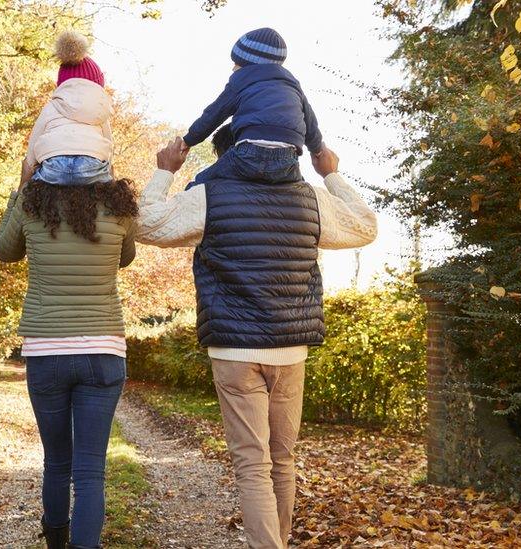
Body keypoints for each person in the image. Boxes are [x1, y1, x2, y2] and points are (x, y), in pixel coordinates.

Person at [137, 128, 377, 549]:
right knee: (282, 460)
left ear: (227, 156)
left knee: (252, 463)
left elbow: (147, 224)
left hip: (234, 348)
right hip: (290, 349)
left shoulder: (210, 194)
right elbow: (365, 227)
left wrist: (164, 171)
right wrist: (331, 174)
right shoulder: (310, 197)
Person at [0, 32, 135, 549]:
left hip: (47, 351)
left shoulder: (33, 203)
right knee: (91, 470)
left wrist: (19, 186)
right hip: (103, 349)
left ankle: (54, 540)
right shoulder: (118, 205)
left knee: (57, 460)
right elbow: (126, 257)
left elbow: (4, 251)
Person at [182, 28, 324, 186]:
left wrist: (188, 140)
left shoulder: (241, 79)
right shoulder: (293, 84)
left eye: (236, 63)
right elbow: (311, 124)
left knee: (200, 183)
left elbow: (214, 114)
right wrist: (317, 150)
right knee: (299, 189)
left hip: (249, 151)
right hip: (288, 157)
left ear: (248, 63)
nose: (233, 68)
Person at [21, 30, 114, 187]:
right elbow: (109, 145)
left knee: (32, 190)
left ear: (62, 83)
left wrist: (24, 181)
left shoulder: (52, 106)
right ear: (97, 84)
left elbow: (33, 148)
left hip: (55, 168)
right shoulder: (100, 110)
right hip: (91, 167)